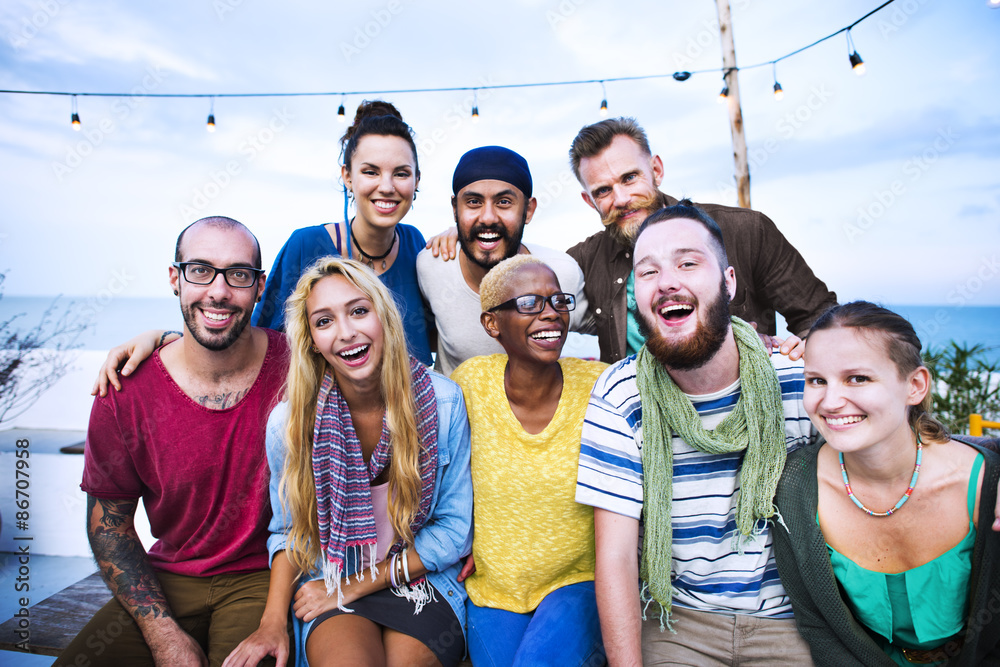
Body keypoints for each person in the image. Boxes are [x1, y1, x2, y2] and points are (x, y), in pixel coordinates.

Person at [575, 201, 817, 665]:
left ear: (729, 281)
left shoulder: (798, 379)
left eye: (688, 263)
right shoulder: (621, 395)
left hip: (792, 623)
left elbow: (892, 455)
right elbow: (618, 558)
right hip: (676, 621)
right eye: (648, 272)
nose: (668, 281)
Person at [58, 216, 289, 667]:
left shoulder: (297, 365)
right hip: (167, 578)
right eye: (200, 270)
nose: (218, 291)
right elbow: (110, 529)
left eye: (238, 275)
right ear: (174, 278)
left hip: (264, 575)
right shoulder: (124, 389)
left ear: (259, 287)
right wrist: (163, 635)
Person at [224, 257, 473, 667]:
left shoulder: (444, 403)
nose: (346, 333)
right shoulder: (290, 424)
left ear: (383, 316)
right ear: (311, 342)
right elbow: (289, 532)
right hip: (329, 576)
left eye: (358, 311)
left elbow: (454, 530)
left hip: (418, 579)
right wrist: (272, 623)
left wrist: (355, 586)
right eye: (324, 322)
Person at [772, 301, 1000, 666]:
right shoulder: (796, 490)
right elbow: (819, 628)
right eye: (816, 380)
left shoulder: (986, 484)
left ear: (915, 386)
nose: (830, 402)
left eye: (857, 378)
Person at [567, 117, 838, 364]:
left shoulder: (746, 230)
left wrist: (800, 357)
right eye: (603, 191)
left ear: (656, 170)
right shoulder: (583, 262)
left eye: (630, 178)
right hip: (640, 413)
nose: (622, 199)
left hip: (746, 407)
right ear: (589, 201)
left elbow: (819, 315)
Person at [450, 255, 607, 666]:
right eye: (529, 304)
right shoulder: (469, 383)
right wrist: (457, 539)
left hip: (580, 583)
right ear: (492, 324)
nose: (550, 314)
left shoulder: (599, 385)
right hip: (493, 591)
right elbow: (439, 475)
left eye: (558, 301)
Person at [253, 100, 433, 365]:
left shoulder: (415, 243)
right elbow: (263, 338)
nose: (386, 186)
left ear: (417, 180)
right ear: (348, 176)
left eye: (401, 174)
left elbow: (435, 334)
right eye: (371, 172)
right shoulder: (305, 245)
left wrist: (458, 237)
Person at [417, 145, 587, 375]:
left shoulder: (560, 274)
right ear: (455, 210)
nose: (487, 218)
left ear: (528, 210)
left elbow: (614, 326)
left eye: (504, 202)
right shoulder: (432, 265)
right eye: (473, 202)